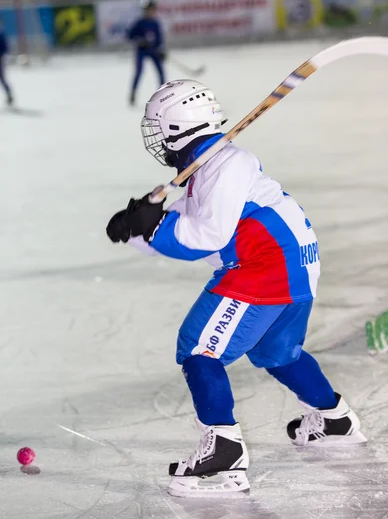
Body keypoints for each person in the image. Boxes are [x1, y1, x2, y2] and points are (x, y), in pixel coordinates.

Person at [106, 79, 366, 497]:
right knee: (275, 352)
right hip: (291, 264)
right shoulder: (209, 169)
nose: (155, 138)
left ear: (176, 129)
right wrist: (141, 229)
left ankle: (223, 457)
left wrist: (157, 225)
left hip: (268, 267)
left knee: (197, 348)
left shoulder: (227, 163)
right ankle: (333, 419)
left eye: (158, 127)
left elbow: (205, 236)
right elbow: (197, 233)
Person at [126, 0, 166, 105]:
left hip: (153, 51)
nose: (150, 12)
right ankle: (133, 94)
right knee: (139, 71)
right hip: (142, 51)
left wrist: (162, 50)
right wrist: (139, 41)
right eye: (148, 9)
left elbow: (159, 40)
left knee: (161, 72)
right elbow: (129, 35)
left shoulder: (155, 23)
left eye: (152, 9)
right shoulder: (139, 23)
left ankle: (163, 96)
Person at [0, 18, 14, 106]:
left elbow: (5, 48)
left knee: (2, 78)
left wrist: (3, 57)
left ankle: (9, 95)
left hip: (0, 59)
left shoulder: (2, 36)